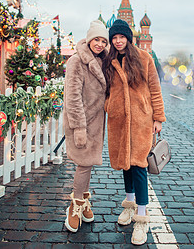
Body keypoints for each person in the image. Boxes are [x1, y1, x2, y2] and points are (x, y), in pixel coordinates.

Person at [104, 19, 166, 245]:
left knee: (139, 166)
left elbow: (155, 89)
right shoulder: (109, 61)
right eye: (114, 38)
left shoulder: (143, 58)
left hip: (141, 120)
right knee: (125, 164)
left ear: (128, 38)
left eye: (121, 37)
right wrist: (109, 105)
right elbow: (106, 90)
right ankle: (128, 206)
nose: (118, 41)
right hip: (119, 120)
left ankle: (141, 218)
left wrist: (158, 117)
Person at [63, 20, 109, 233]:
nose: (99, 44)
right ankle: (75, 205)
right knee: (83, 165)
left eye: (103, 40)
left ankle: (83, 201)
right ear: (89, 39)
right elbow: (72, 97)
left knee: (88, 164)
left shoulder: (101, 61)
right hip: (81, 123)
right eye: (96, 39)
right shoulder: (76, 61)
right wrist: (79, 128)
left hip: (96, 122)